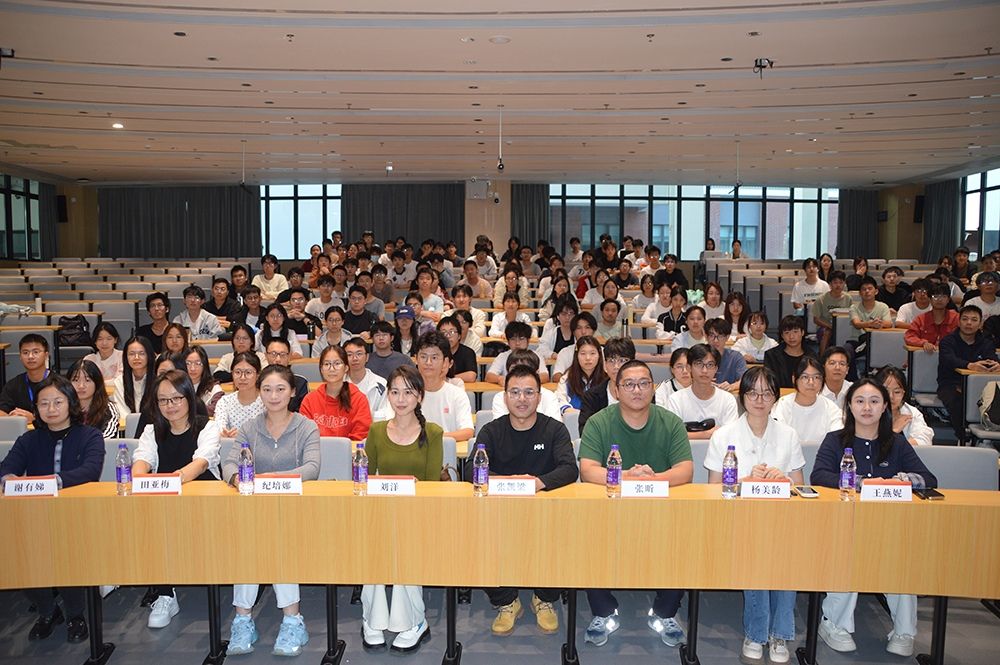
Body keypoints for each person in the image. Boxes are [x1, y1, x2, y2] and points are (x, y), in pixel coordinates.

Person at [811, 379, 937, 659]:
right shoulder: (835, 440)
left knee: (901, 559)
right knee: (848, 553)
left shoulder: (897, 443)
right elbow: (819, 475)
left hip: (890, 527)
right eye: (859, 401)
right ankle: (834, 624)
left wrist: (900, 480)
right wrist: (861, 482)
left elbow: (929, 479)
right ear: (849, 407)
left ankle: (904, 631)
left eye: (874, 401)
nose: (867, 407)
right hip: (845, 525)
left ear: (884, 408)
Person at [579, 360, 694, 648]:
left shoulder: (670, 422)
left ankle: (665, 612)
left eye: (644, 383)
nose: (637, 390)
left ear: (653, 388)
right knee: (586, 534)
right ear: (616, 390)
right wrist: (628, 476)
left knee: (684, 535)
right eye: (628, 384)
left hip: (661, 511)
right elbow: (588, 470)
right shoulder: (599, 422)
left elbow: (685, 470)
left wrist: (652, 479)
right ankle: (604, 612)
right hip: (610, 511)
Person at [705, 366, 804, 665]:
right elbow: (714, 489)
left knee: (787, 551)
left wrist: (783, 480)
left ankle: (780, 634)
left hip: (782, 522)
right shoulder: (724, 435)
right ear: (742, 396)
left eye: (767, 393)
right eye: (752, 393)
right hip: (739, 522)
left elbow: (800, 487)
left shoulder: (788, 434)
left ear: (776, 397)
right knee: (757, 549)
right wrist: (743, 482)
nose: (760, 400)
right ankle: (757, 633)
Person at [222, 364, 320, 657]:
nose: (273, 396)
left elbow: (312, 468)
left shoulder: (306, 426)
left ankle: (293, 621)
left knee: (279, 540)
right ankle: (242, 620)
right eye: (267, 389)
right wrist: (239, 479)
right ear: (259, 392)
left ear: (292, 392)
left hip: (295, 511)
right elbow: (229, 463)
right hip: (256, 511)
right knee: (248, 542)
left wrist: (269, 479)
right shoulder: (249, 428)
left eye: (280, 389)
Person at [473, 365, 577, 636]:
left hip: (544, 511)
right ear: (505, 397)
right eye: (515, 392)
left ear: (539, 397)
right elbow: (473, 469)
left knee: (564, 536)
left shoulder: (554, 430)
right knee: (478, 539)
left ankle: (544, 598)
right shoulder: (491, 431)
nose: (522, 399)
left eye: (529, 392)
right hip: (498, 512)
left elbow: (569, 468)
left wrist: (537, 482)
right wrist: (511, 483)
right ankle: (506, 601)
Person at [0, 374, 105, 644]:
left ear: (71, 403)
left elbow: (90, 471)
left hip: (77, 514)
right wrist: (8, 479)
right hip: (34, 515)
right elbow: (7, 469)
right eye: (44, 403)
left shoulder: (90, 435)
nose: (51, 409)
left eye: (58, 402)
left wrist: (53, 482)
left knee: (65, 550)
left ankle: (75, 615)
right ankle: (47, 611)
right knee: (17, 554)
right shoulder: (28, 439)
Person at [359, 365, 441, 653]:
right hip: (382, 512)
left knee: (404, 546)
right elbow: (364, 480)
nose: (401, 399)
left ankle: (415, 622)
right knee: (374, 544)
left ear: (419, 396)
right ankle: (372, 619)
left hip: (419, 515)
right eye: (395, 392)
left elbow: (432, 486)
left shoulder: (433, 432)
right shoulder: (377, 430)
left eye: (408, 392)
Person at [134, 370, 222, 629]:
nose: (170, 405)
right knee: (151, 523)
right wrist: (139, 478)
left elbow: (201, 462)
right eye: (163, 400)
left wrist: (173, 479)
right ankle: (165, 595)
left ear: (189, 397)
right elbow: (142, 461)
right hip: (165, 502)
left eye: (176, 398)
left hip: (204, 502)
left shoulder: (207, 426)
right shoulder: (152, 430)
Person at [936, 305, 998, 442]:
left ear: (980, 324)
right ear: (958, 322)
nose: (969, 323)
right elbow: (949, 360)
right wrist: (970, 365)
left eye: (974, 320)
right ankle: (965, 438)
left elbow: (992, 359)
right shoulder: (947, 341)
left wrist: (996, 365)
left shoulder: (986, 343)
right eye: (965, 319)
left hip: (980, 387)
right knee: (957, 402)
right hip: (951, 384)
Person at [665, 343, 739, 439]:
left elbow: (730, 435)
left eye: (710, 365)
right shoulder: (676, 400)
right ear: (689, 367)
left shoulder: (727, 400)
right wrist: (707, 434)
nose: (704, 370)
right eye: (699, 364)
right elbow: (672, 435)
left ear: (716, 369)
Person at [298, 345, 372, 439]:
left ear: (346, 368)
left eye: (337, 363)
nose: (332, 369)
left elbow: (361, 434)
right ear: (321, 369)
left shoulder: (359, 399)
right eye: (327, 364)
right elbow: (304, 433)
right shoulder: (310, 400)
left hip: (349, 448)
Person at [413, 332, 474, 442]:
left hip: (446, 450)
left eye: (434, 357)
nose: (428, 362)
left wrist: (434, 438)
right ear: (416, 359)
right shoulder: (406, 393)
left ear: (445, 362)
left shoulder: (457, 394)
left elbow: (467, 431)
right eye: (423, 357)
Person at [770, 357, 843, 445]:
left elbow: (836, 439)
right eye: (805, 377)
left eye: (816, 377)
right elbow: (778, 438)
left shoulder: (831, 408)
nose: (811, 382)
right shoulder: (782, 405)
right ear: (794, 379)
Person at [578, 337, 635, 431]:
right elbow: (586, 432)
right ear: (605, 364)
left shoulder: (643, 394)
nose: (616, 366)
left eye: (622, 360)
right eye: (611, 361)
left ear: (633, 363)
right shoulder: (591, 397)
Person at [492, 349, 562, 420]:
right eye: (515, 370)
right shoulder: (500, 398)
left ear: (537, 373)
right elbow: (499, 426)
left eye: (526, 370)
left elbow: (555, 426)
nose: (521, 374)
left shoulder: (549, 396)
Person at [875, 366, 934, 446]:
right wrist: (894, 431)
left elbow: (924, 441)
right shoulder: (867, 412)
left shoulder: (911, 413)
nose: (891, 396)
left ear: (903, 393)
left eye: (897, 392)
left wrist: (899, 446)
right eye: (886, 391)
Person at [0, 333, 52, 422]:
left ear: (46, 355)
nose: (30, 356)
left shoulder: (59, 384)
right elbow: (1, 410)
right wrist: (15, 420)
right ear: (20, 356)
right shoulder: (13, 385)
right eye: (25, 353)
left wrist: (34, 418)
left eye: (36, 352)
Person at [213, 352, 264, 437]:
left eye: (248, 372)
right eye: (237, 372)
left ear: (258, 375)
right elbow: (219, 426)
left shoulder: (266, 402)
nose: (242, 377)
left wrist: (242, 436)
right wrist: (225, 433)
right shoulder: (225, 402)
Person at [67, 359, 120, 439]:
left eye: (87, 380)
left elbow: (108, 437)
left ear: (97, 383)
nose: (81, 386)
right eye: (76, 380)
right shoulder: (63, 407)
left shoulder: (108, 409)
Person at [343, 337, 391, 420]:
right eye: (349, 355)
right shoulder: (338, 383)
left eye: (359, 354)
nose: (355, 358)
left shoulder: (381, 384)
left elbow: (384, 413)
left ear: (367, 357)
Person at [764, 315, 817, 389]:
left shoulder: (812, 356)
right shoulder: (771, 356)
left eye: (795, 332)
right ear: (782, 335)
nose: (791, 336)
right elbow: (770, 382)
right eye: (787, 332)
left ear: (802, 332)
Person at [554, 336, 607, 411]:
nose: (588, 358)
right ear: (576, 356)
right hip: (573, 416)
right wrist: (567, 409)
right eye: (583, 353)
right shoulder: (567, 378)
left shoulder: (607, 379)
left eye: (592, 353)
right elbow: (560, 399)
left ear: (599, 355)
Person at [904, 282, 959, 350]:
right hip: (926, 354)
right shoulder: (921, 319)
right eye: (935, 296)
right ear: (929, 299)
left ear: (948, 300)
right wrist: (923, 343)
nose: (939, 299)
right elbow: (909, 337)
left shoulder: (956, 318)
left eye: (943, 296)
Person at [112, 336, 155, 417]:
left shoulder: (158, 379)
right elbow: (123, 412)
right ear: (126, 357)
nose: (136, 358)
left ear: (149, 355)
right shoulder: (120, 381)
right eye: (131, 354)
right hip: (128, 424)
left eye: (141, 353)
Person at [264, 337, 310, 412]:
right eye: (273, 354)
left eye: (283, 354)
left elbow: (302, 412)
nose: (278, 359)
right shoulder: (259, 381)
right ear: (266, 356)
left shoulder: (300, 382)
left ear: (289, 357)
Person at [811, 270, 852, 352]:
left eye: (841, 282)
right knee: (827, 332)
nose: (838, 285)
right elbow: (816, 319)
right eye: (835, 283)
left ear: (844, 284)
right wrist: (831, 326)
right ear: (830, 284)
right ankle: (822, 356)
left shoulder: (848, 298)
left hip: (842, 327)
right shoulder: (821, 299)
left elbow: (850, 316)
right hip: (825, 327)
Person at [551, 312, 598, 383]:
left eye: (587, 327)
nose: (583, 332)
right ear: (573, 332)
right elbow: (556, 377)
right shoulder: (565, 352)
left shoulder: (601, 351)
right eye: (579, 328)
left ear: (593, 331)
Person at [704, 318, 746, 389]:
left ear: (727, 337)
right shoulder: (699, 355)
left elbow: (745, 380)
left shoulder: (735, 357)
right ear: (706, 336)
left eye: (720, 336)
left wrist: (731, 386)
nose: (716, 340)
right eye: (712, 336)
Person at [185, 346, 225, 416]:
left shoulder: (214, 388)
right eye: (188, 363)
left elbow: (216, 410)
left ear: (204, 365)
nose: (192, 368)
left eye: (197, 363)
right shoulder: (177, 386)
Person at [438, 316, 477, 383]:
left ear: (459, 336)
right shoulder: (434, 352)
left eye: (452, 332)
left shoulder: (468, 352)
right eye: (443, 332)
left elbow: (471, 376)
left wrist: (447, 379)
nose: (448, 336)